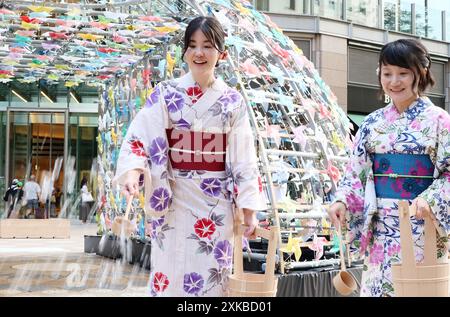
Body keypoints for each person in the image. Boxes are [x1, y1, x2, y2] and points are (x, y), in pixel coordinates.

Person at [113, 16, 266, 297]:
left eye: (207, 46)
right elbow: (141, 134)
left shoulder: (232, 100)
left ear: (222, 53)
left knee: (212, 278)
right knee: (167, 272)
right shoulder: (166, 93)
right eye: (192, 45)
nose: (199, 53)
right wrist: (134, 169)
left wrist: (249, 211)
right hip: (172, 196)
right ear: (184, 51)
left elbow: (244, 158)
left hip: (214, 202)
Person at [327, 39, 449, 297]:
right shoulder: (372, 122)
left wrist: (430, 199)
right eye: (387, 73)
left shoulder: (439, 120)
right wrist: (342, 202)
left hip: (420, 223)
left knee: (419, 290)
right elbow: (356, 173)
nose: (395, 81)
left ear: (421, 73)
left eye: (403, 73)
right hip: (381, 227)